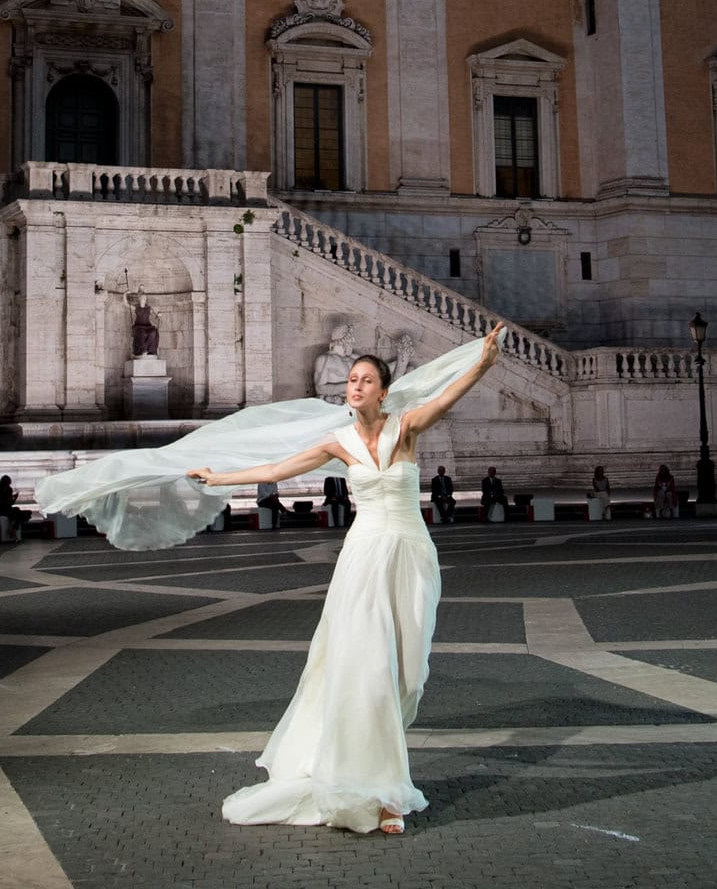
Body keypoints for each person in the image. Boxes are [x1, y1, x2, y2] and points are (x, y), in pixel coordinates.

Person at [176, 324, 503, 834]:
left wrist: (481, 363)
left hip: (412, 556)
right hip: (363, 561)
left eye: (365, 379)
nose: (355, 386)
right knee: (367, 672)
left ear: (384, 390)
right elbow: (275, 471)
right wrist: (219, 478)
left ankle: (372, 769)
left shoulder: (407, 428)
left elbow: (447, 395)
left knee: (408, 676)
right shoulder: (339, 442)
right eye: (352, 379)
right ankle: (387, 794)